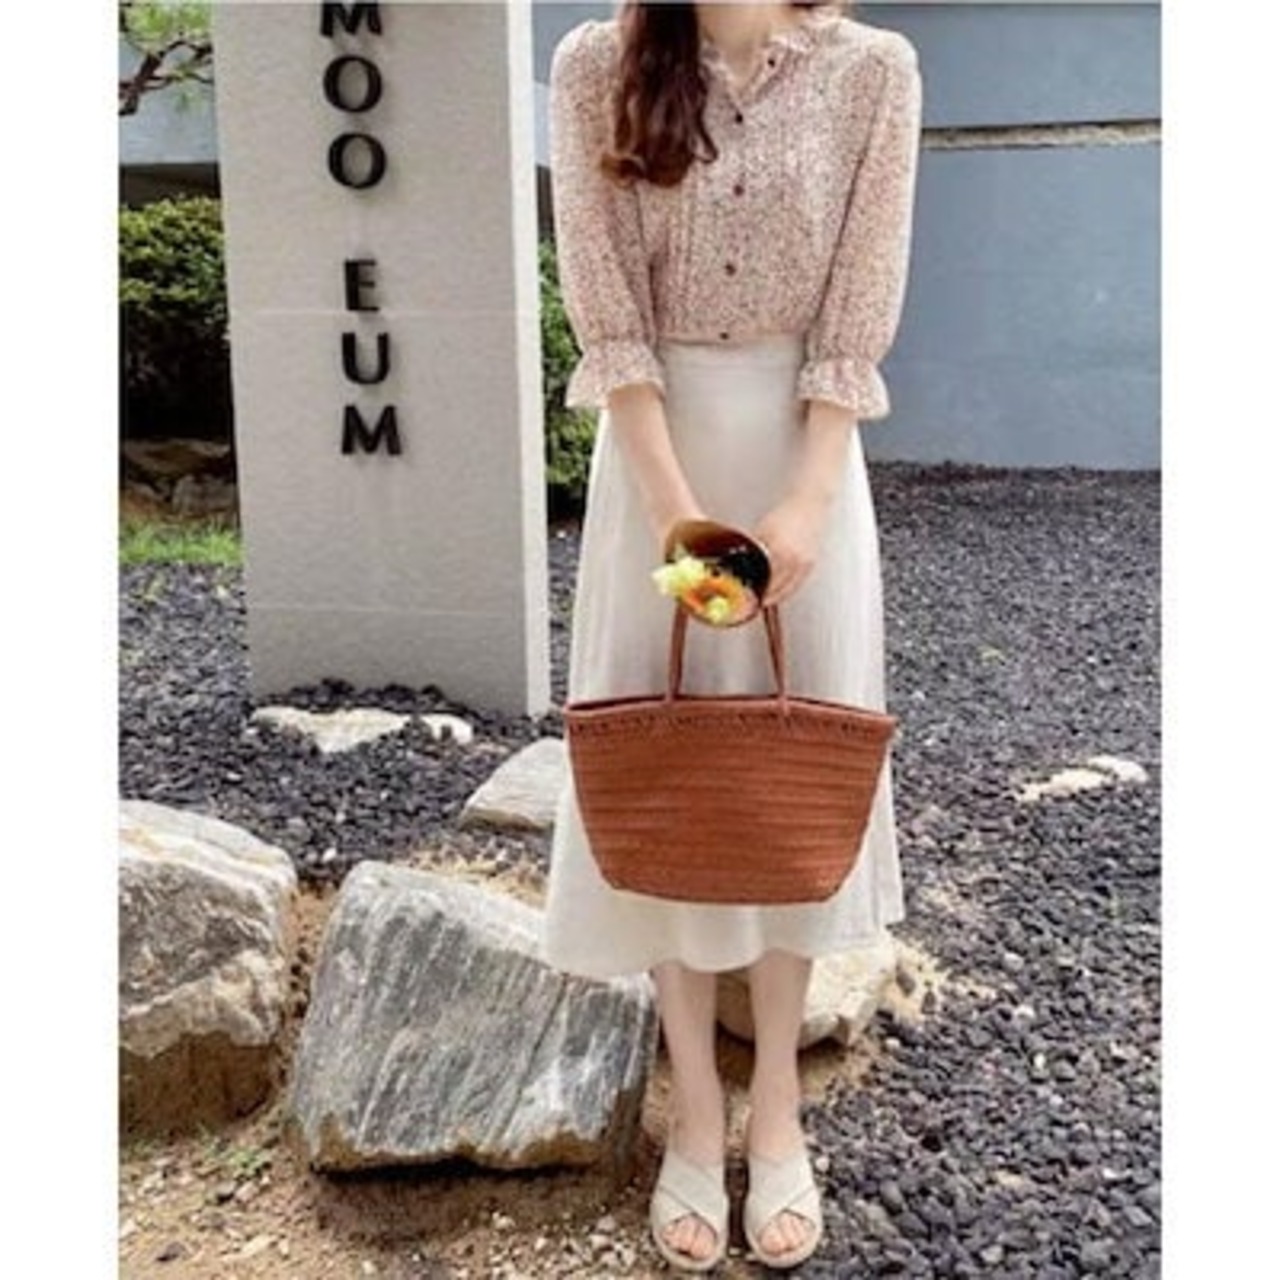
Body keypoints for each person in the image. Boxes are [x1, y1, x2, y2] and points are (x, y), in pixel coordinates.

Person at [541, 1, 922, 1270]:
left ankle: (776, 1110)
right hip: (655, 463)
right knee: (666, 764)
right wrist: (675, 514)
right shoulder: (594, 63)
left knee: (789, 773)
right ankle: (695, 1113)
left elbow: (860, 298)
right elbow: (604, 306)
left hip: (805, 456)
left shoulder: (873, 73)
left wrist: (803, 502)